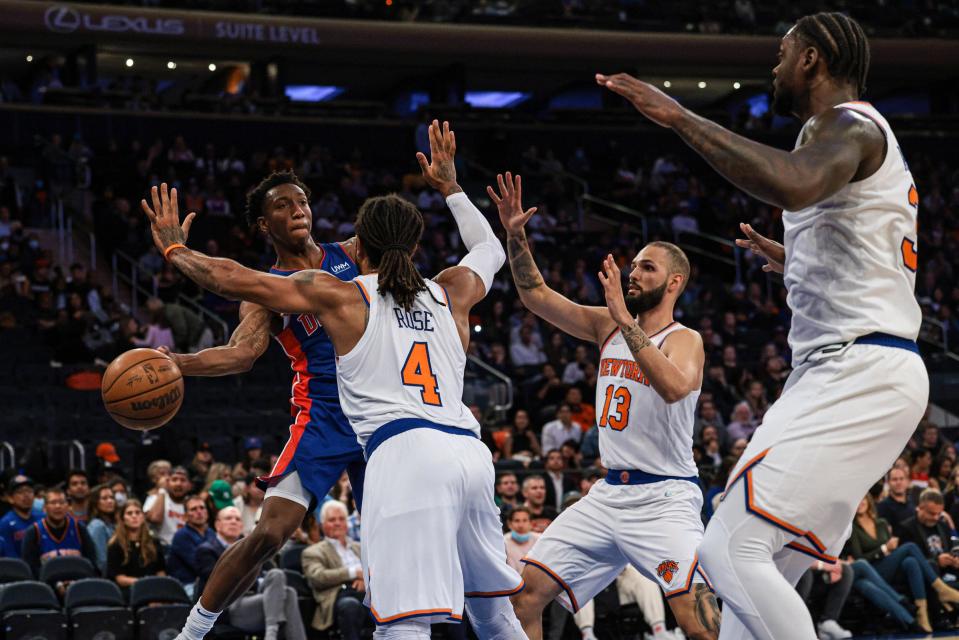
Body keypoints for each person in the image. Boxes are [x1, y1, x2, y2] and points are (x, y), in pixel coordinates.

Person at [597, 11, 928, 639]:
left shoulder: (849, 125)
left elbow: (791, 184)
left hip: (857, 368)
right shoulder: (850, 140)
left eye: (783, 54)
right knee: (760, 561)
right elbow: (870, 255)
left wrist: (679, 117)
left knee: (726, 550)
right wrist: (793, 258)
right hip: (854, 368)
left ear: (811, 61)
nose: (773, 67)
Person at [143, 121, 527, 640]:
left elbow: (393, 236)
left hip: (393, 427)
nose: (297, 209)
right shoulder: (279, 287)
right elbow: (240, 354)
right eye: (282, 205)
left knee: (394, 553)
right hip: (328, 414)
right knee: (271, 533)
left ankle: (401, 618)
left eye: (301, 201)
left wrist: (174, 251)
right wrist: (182, 363)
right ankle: (194, 630)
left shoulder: (354, 256)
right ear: (263, 224)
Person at [498, 176, 718, 638]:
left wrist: (624, 321)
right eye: (633, 265)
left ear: (675, 282)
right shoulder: (607, 326)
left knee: (699, 627)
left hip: (665, 498)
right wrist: (516, 236)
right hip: (607, 494)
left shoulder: (685, 339)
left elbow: (675, 387)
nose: (634, 273)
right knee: (523, 600)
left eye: (648, 268)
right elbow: (536, 296)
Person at [845, 493, 958, 632]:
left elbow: (892, 551)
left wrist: (887, 550)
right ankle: (940, 588)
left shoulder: (881, 523)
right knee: (910, 547)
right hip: (872, 569)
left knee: (911, 562)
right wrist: (883, 549)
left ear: (868, 501)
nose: (861, 503)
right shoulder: (852, 528)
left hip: (887, 565)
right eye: (857, 500)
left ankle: (921, 615)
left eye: (863, 499)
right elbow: (859, 558)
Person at [196, 507, 307, 640]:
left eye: (237, 519)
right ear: (217, 524)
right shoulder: (207, 550)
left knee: (282, 582)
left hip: (260, 598)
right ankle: (273, 633)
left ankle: (271, 633)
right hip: (231, 605)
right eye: (228, 518)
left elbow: (269, 571)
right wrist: (258, 581)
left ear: (242, 526)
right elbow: (221, 583)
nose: (233, 522)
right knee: (286, 595)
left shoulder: (252, 547)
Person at [301, 501, 368, 640]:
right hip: (338, 598)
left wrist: (364, 579)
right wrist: (354, 573)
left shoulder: (360, 547)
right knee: (350, 606)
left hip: (368, 593)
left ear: (347, 523)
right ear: (322, 524)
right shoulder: (313, 552)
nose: (338, 523)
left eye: (341, 519)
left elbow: (374, 571)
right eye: (332, 520)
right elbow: (318, 577)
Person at [572, 566, 673, 640]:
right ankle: (587, 634)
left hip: (619, 580)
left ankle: (659, 630)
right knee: (578, 583)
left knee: (642, 575)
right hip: (592, 581)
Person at [21, 487, 97, 576]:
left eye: (62, 502)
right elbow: (30, 569)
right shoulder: (34, 532)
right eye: (53, 503)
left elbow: (91, 562)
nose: (58, 506)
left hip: (78, 583)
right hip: (46, 585)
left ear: (68, 506)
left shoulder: (79, 528)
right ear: (45, 508)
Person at [899, 489, 959, 588]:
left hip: (949, 574)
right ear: (920, 508)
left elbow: (952, 550)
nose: (936, 517)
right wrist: (936, 561)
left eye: (939, 514)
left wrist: (955, 560)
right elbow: (909, 563)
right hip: (925, 579)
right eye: (931, 513)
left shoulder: (943, 526)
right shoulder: (906, 528)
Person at [107, 499, 166, 594]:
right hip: (129, 590)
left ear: (143, 517)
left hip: (154, 588)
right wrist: (144, 583)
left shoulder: (154, 542)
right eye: (129, 513)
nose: (134, 516)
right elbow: (120, 578)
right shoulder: (115, 545)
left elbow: (160, 571)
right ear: (123, 519)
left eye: (138, 512)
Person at [167, 495, 216, 598]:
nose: (199, 512)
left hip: (209, 582)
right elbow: (201, 566)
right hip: (186, 586)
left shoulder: (211, 533)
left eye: (202, 508)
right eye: (193, 509)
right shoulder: (181, 535)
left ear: (207, 513)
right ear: (185, 516)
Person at [794, 560, 854, 640]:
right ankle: (796, 626)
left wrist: (835, 566)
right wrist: (823, 565)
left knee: (846, 570)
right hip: (800, 570)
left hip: (818, 575)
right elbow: (797, 558)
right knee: (805, 572)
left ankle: (827, 622)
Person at [143, 465, 191, 545]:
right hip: (162, 547)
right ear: (167, 482)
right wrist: (162, 490)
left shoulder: (193, 503)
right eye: (174, 479)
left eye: (183, 480)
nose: (178, 484)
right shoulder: (155, 498)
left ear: (189, 485)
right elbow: (155, 519)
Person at [0, 475, 42, 559]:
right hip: (18, 570)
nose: (26, 495)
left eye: (29, 491)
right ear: (11, 498)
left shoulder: (42, 518)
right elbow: (9, 556)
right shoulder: (5, 523)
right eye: (20, 492)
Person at [85, 484, 118, 574]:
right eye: (104, 498)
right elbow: (102, 561)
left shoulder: (113, 524)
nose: (110, 501)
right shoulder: (97, 526)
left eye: (112, 497)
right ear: (95, 502)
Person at [878, 467, 916, 534]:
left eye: (901, 479)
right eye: (894, 479)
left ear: (907, 481)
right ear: (888, 483)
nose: (898, 482)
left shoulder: (913, 501)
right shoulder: (882, 506)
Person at [504, 507, 540, 574]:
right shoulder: (503, 543)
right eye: (517, 521)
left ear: (531, 523)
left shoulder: (539, 540)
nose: (521, 525)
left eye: (525, 520)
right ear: (509, 524)